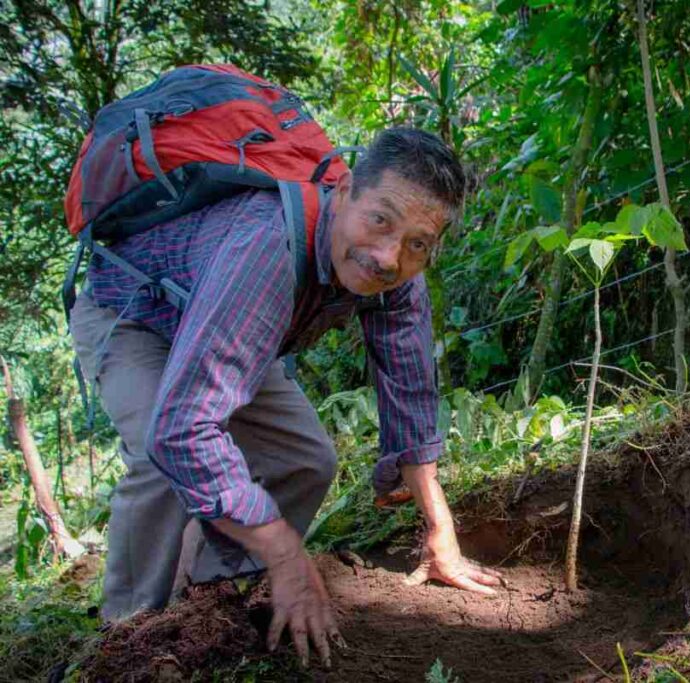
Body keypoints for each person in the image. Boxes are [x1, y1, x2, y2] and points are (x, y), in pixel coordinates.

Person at [69, 127, 501, 667]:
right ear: (343, 191)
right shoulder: (266, 245)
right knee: (163, 467)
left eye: (418, 243)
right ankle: (127, 638)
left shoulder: (394, 274)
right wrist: (285, 552)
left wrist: (441, 531)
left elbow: (409, 390)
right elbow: (181, 431)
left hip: (227, 325)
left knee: (305, 460)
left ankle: (211, 598)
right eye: (380, 220)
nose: (389, 256)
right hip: (137, 316)